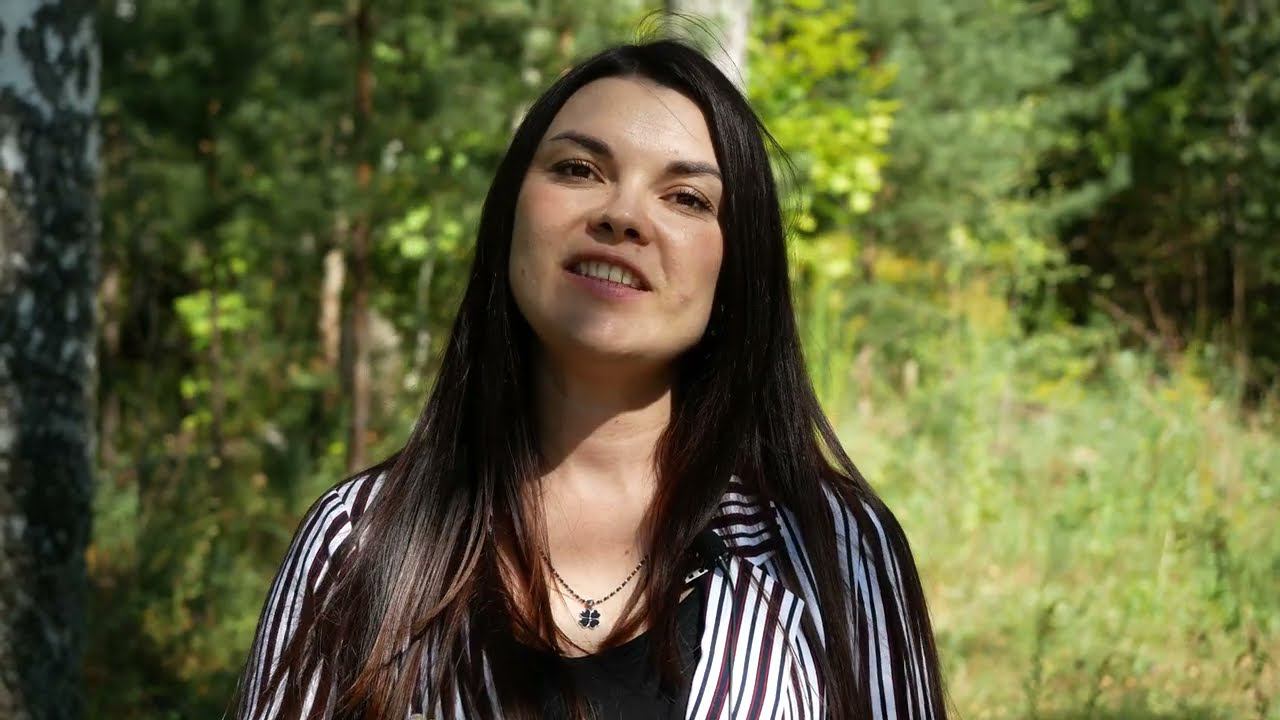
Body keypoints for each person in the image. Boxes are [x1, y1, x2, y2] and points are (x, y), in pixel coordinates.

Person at [234, 38, 946, 720]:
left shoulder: (833, 549)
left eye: (686, 198)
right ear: (510, 212)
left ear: (737, 268)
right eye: (579, 169)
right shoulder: (358, 542)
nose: (623, 216)